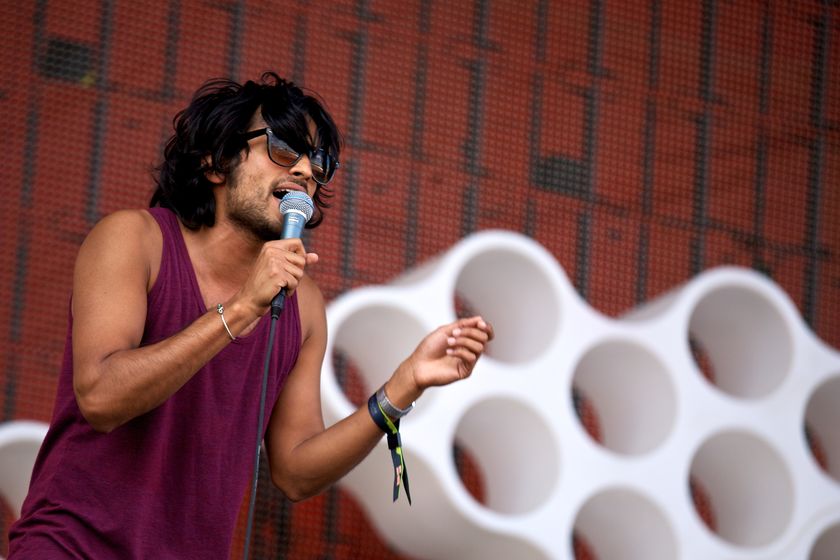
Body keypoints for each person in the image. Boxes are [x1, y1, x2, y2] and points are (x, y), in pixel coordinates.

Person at [8, 71, 493, 558]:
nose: (304, 170)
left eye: (317, 162)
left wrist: (402, 388)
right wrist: (242, 308)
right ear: (216, 161)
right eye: (283, 148)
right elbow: (100, 397)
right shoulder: (133, 240)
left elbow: (295, 472)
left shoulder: (304, 307)